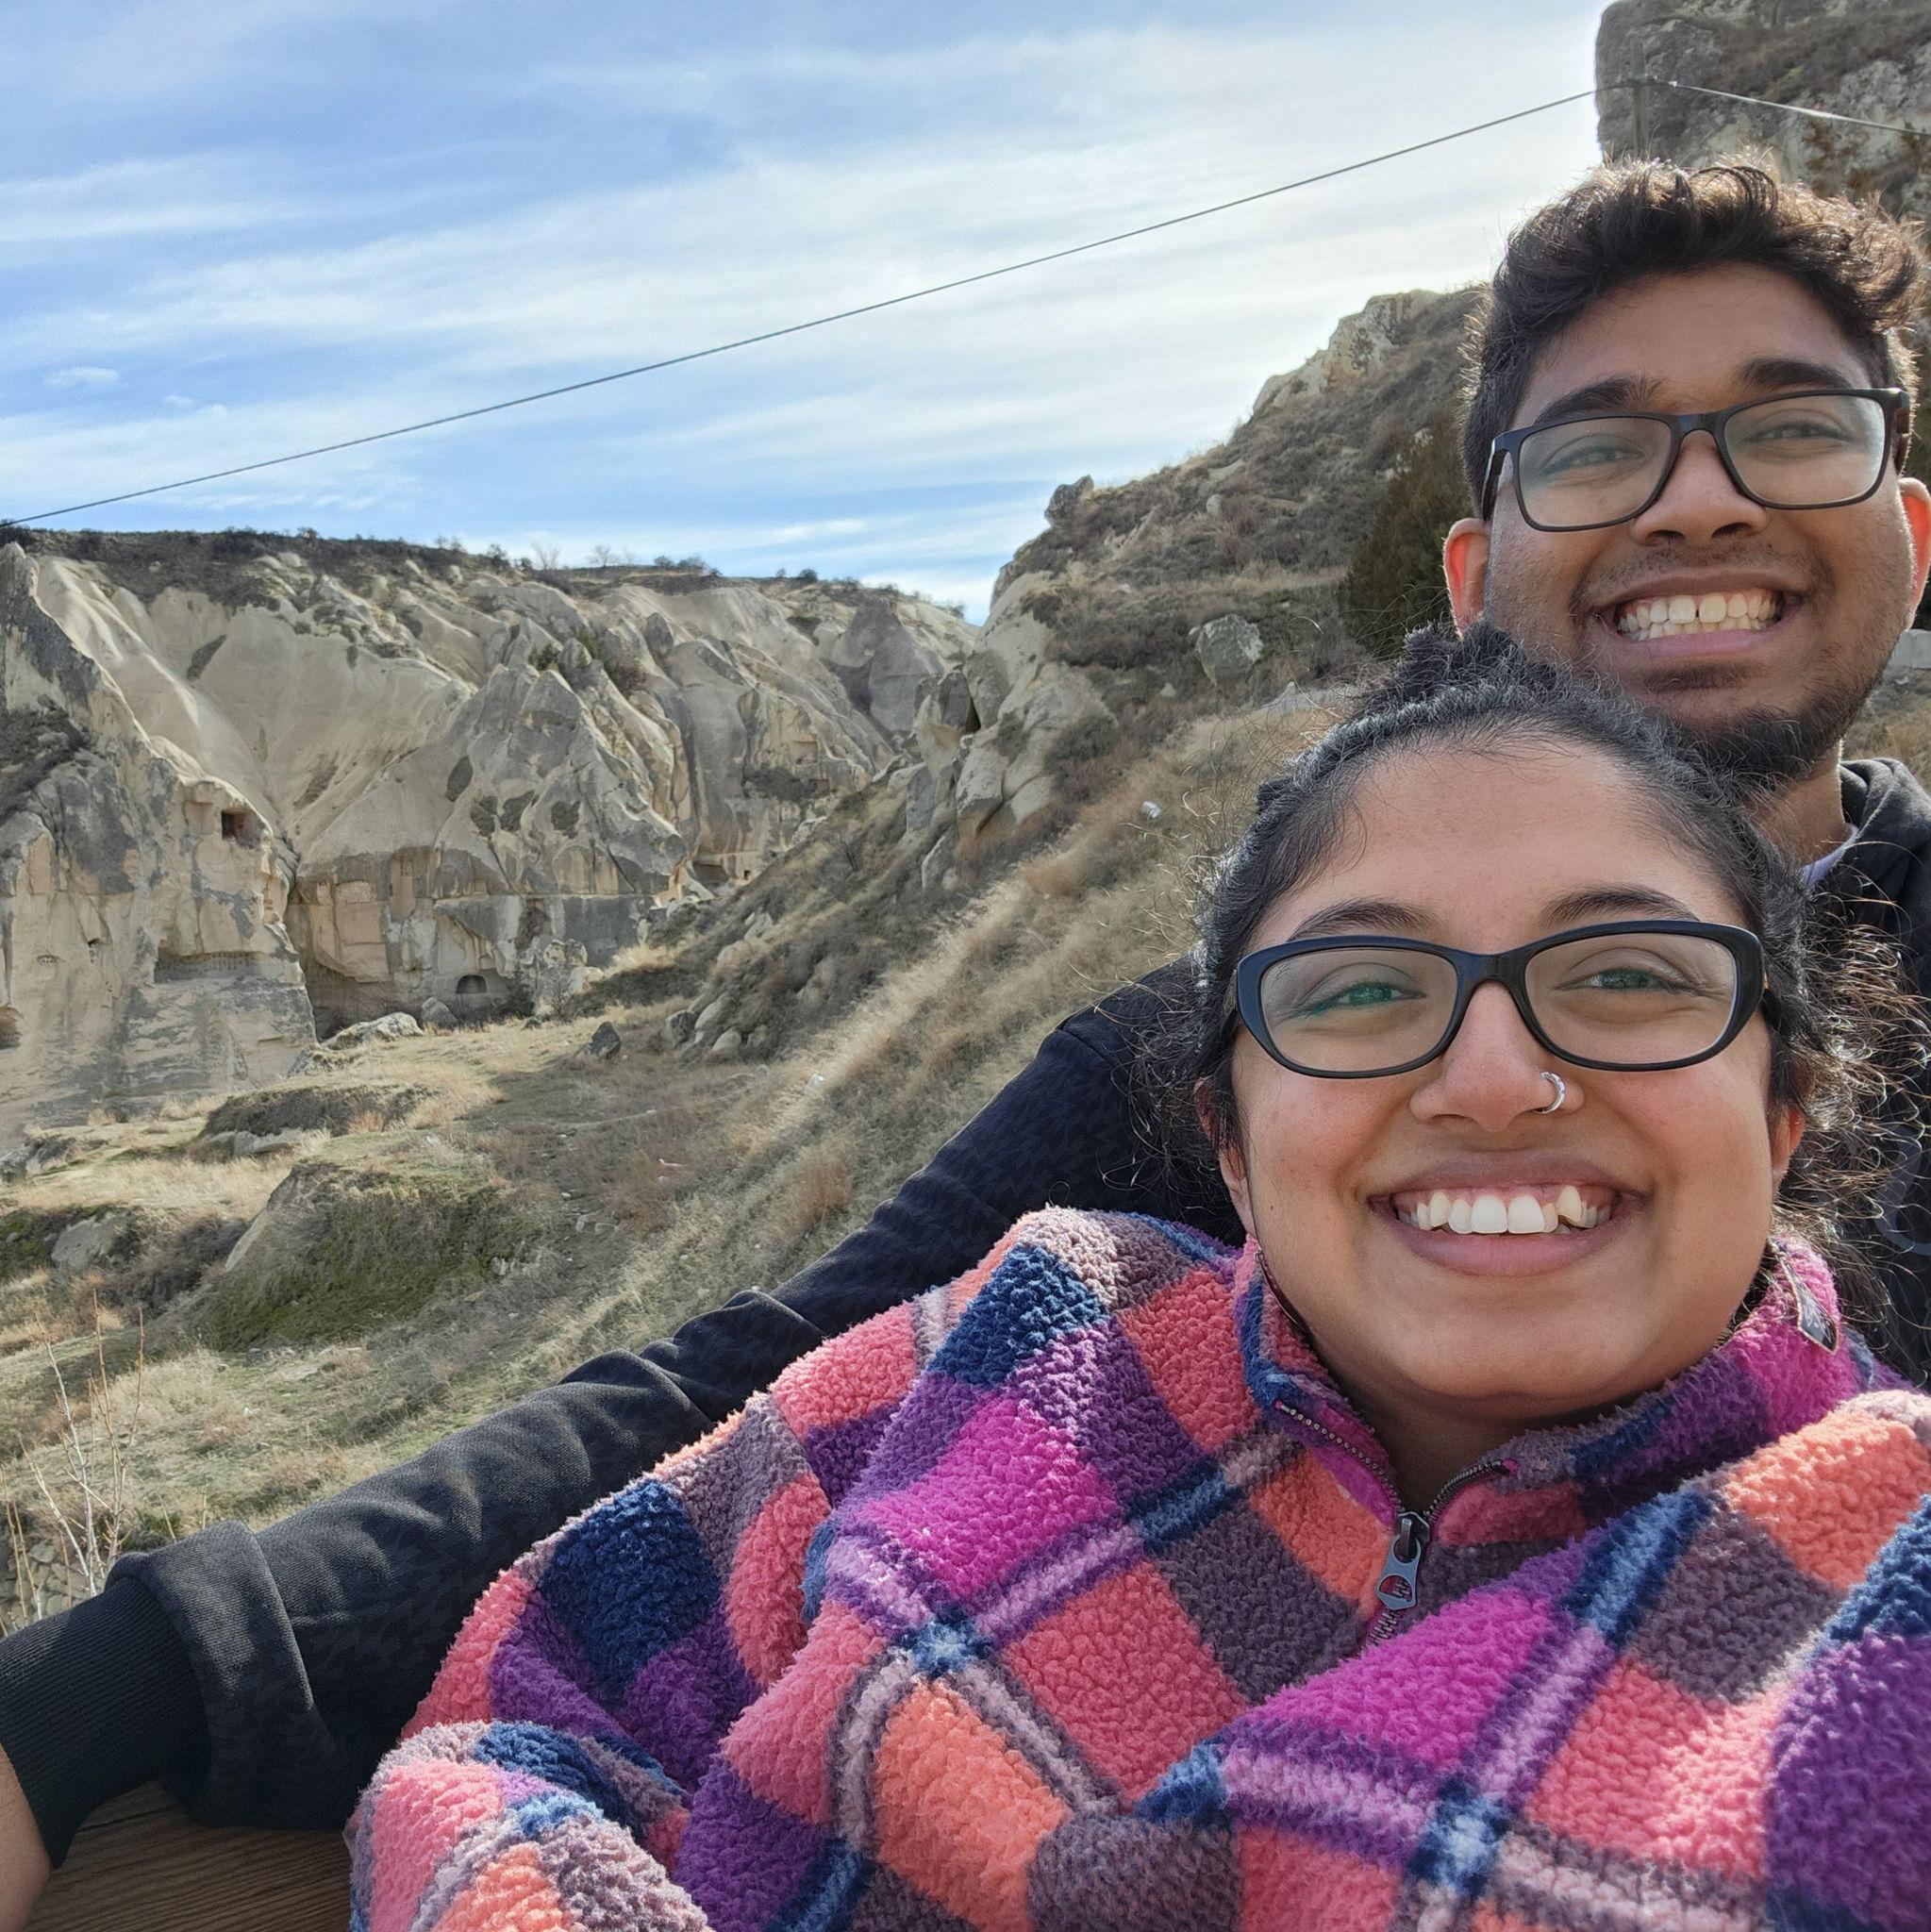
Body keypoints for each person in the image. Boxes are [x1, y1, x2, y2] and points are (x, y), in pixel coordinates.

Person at [3, 155, 1930, 1917]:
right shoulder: (1113, 1201)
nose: (1701, 495)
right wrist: (115, 1683)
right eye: (1597, 450)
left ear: (1799, 1099)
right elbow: (735, 1409)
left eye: (1789, 429)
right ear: (1227, 1121)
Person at [349, 633, 1931, 1930]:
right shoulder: (1004, 1346)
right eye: (1365, 988)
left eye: (1630, 976)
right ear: (1231, 1142)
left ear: (1785, 1108)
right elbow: (528, 1721)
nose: (1495, 1078)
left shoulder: (1893, 1584)